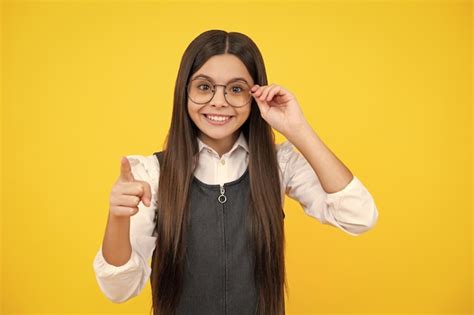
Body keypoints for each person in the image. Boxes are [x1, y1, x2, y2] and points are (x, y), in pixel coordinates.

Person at [92, 29, 379, 315]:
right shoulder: (151, 174)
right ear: (184, 92)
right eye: (204, 87)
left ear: (255, 96)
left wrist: (298, 128)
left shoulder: (279, 165)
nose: (219, 101)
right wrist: (117, 217)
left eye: (236, 89)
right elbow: (119, 290)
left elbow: (358, 216)